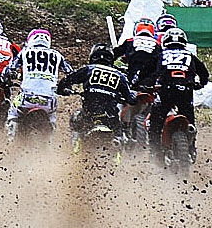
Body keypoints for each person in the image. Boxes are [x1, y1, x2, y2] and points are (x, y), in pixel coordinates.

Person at [146, 28, 208, 159]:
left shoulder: (161, 55)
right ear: (183, 41)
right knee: (189, 119)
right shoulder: (189, 56)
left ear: (165, 41)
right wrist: (200, 84)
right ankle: (192, 148)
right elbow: (204, 72)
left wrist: (142, 82)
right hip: (185, 90)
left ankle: (155, 150)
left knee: (156, 120)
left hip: (166, 90)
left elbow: (147, 70)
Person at [4, 28, 73, 141]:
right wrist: (66, 86)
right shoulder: (57, 55)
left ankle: (11, 142)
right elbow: (70, 72)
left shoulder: (25, 52)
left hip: (27, 98)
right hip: (49, 101)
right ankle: (49, 145)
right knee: (52, 120)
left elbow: (10, 69)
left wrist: (8, 77)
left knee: (13, 113)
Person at [57, 43, 135, 138]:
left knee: (76, 124)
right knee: (119, 135)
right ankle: (119, 149)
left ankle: (75, 150)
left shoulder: (88, 69)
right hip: (110, 116)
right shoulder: (120, 75)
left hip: (89, 113)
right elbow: (131, 99)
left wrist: (62, 90)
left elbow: (66, 80)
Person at [112, 20, 163, 93]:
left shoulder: (130, 40)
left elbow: (115, 53)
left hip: (132, 71)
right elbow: (160, 61)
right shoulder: (157, 44)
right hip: (149, 74)